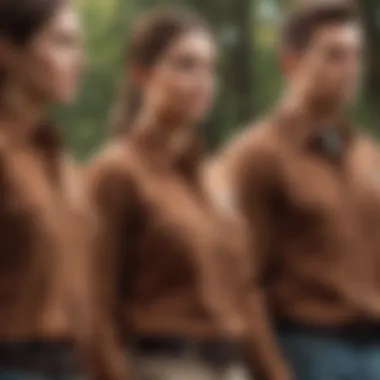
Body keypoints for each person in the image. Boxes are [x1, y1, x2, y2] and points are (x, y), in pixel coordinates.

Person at [86, 7, 287, 380]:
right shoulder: (116, 172)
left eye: (210, 68)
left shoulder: (214, 180)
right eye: (185, 65)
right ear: (141, 75)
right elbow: (94, 302)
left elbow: (245, 294)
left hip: (231, 366)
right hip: (164, 364)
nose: (202, 80)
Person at [211, 0, 380, 379]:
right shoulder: (255, 156)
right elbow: (239, 278)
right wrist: (270, 369)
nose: (350, 67)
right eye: (334, 55)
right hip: (306, 349)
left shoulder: (367, 155)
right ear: (291, 63)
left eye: (357, 54)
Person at [0, 1, 103, 379]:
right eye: (62, 42)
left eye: (79, 45)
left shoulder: (62, 163)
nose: (80, 61)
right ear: (8, 50)